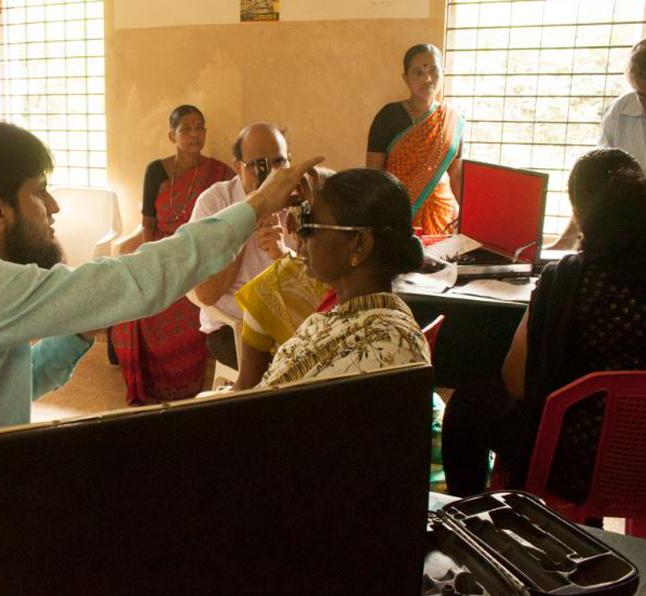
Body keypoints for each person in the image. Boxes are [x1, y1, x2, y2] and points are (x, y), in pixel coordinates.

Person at [0, 118, 322, 595]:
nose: (52, 207)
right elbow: (141, 277)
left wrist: (81, 326)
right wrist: (256, 204)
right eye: (39, 192)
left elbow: (20, 378)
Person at [442, 148, 646, 500]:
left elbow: (517, 382)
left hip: (571, 459)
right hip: (639, 463)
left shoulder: (569, 278)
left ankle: (468, 516)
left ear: (581, 214)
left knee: (467, 404)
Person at [254, 168, 431, 389]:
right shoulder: (325, 321)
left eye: (309, 226)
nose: (298, 235)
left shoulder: (388, 343)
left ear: (359, 245)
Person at [110, 105, 234, 404]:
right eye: (186, 129)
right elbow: (148, 224)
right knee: (138, 298)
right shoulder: (156, 170)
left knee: (186, 305)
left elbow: (230, 222)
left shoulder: (220, 175)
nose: (195, 134)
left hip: (199, 255)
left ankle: (182, 384)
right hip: (161, 250)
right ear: (172, 135)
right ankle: (148, 381)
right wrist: (156, 260)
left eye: (200, 127)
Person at [189, 121, 291, 370]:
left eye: (279, 162)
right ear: (238, 168)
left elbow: (320, 282)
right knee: (285, 371)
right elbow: (206, 294)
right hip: (233, 324)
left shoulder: (303, 198)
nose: (271, 174)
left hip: (293, 320)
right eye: (258, 165)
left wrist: (285, 255)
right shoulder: (214, 203)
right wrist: (247, 220)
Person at [231, 167, 333, 390]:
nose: (292, 226)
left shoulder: (367, 293)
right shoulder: (272, 289)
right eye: (294, 213)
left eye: (307, 216)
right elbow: (247, 388)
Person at [550, 38, 646, 249]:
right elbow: (595, 183)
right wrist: (565, 243)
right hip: (622, 244)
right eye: (642, 96)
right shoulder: (620, 111)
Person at [366, 43, 464, 236]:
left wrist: (470, 219)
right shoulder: (388, 116)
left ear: (443, 73)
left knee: (439, 264)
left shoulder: (453, 121)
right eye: (417, 72)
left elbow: (457, 177)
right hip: (398, 215)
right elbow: (374, 175)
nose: (426, 79)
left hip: (442, 217)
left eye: (433, 71)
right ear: (406, 78)